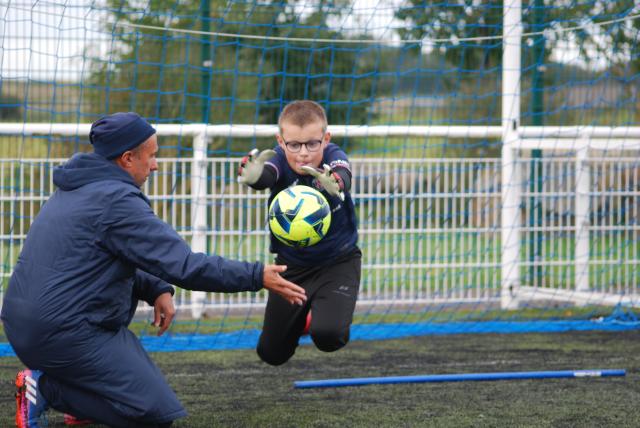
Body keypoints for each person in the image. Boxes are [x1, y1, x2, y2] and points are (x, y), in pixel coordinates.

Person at [2, 112, 306, 427]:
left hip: (25, 325)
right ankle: (47, 390)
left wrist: (156, 288)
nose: (156, 165)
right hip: (66, 332)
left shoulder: (77, 187)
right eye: (152, 155)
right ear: (127, 158)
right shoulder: (116, 200)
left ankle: (78, 401)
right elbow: (185, 265)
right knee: (154, 415)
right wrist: (256, 275)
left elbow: (113, 254)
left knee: (135, 394)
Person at [238, 100, 361, 366]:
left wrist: (336, 182)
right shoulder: (279, 160)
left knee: (328, 337)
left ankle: (322, 313)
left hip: (338, 262)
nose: (303, 153)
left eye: (312, 144)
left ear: (325, 139)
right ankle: (304, 316)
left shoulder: (333, 156)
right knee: (271, 355)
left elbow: (343, 174)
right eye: (294, 144)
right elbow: (268, 175)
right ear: (281, 141)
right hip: (291, 268)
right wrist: (254, 175)